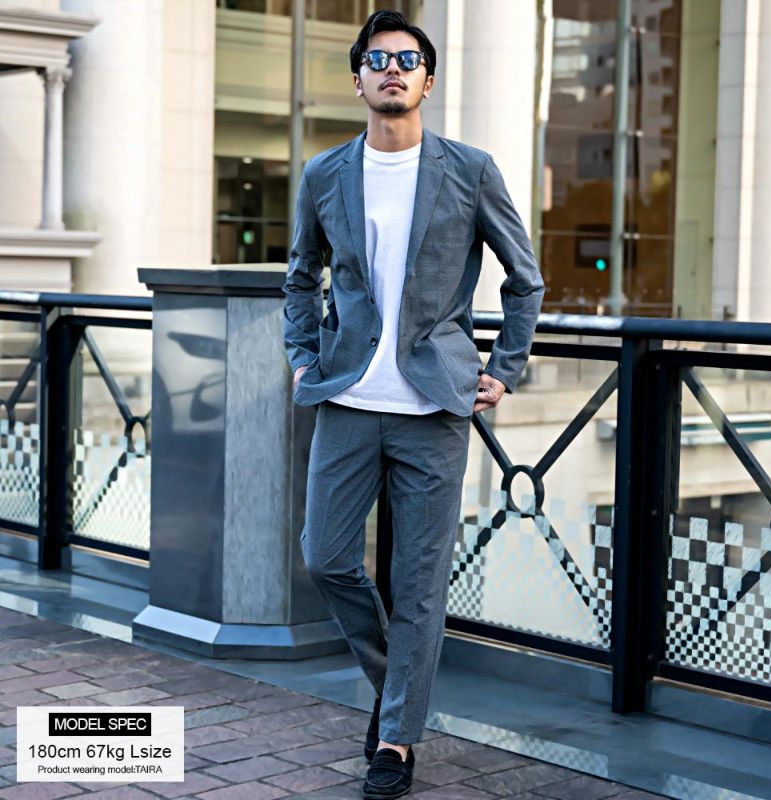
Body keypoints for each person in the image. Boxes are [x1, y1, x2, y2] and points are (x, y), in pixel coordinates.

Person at [281, 10, 544, 799]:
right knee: (326, 557)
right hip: (348, 398)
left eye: (407, 59)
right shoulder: (325, 173)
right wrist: (303, 357)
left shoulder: (471, 169)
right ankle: (399, 686)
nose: (391, 70)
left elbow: (524, 278)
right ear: (356, 79)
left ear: (427, 80)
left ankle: (395, 739)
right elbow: (299, 276)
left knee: (420, 581)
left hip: (435, 407)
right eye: (377, 59)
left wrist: (507, 368)